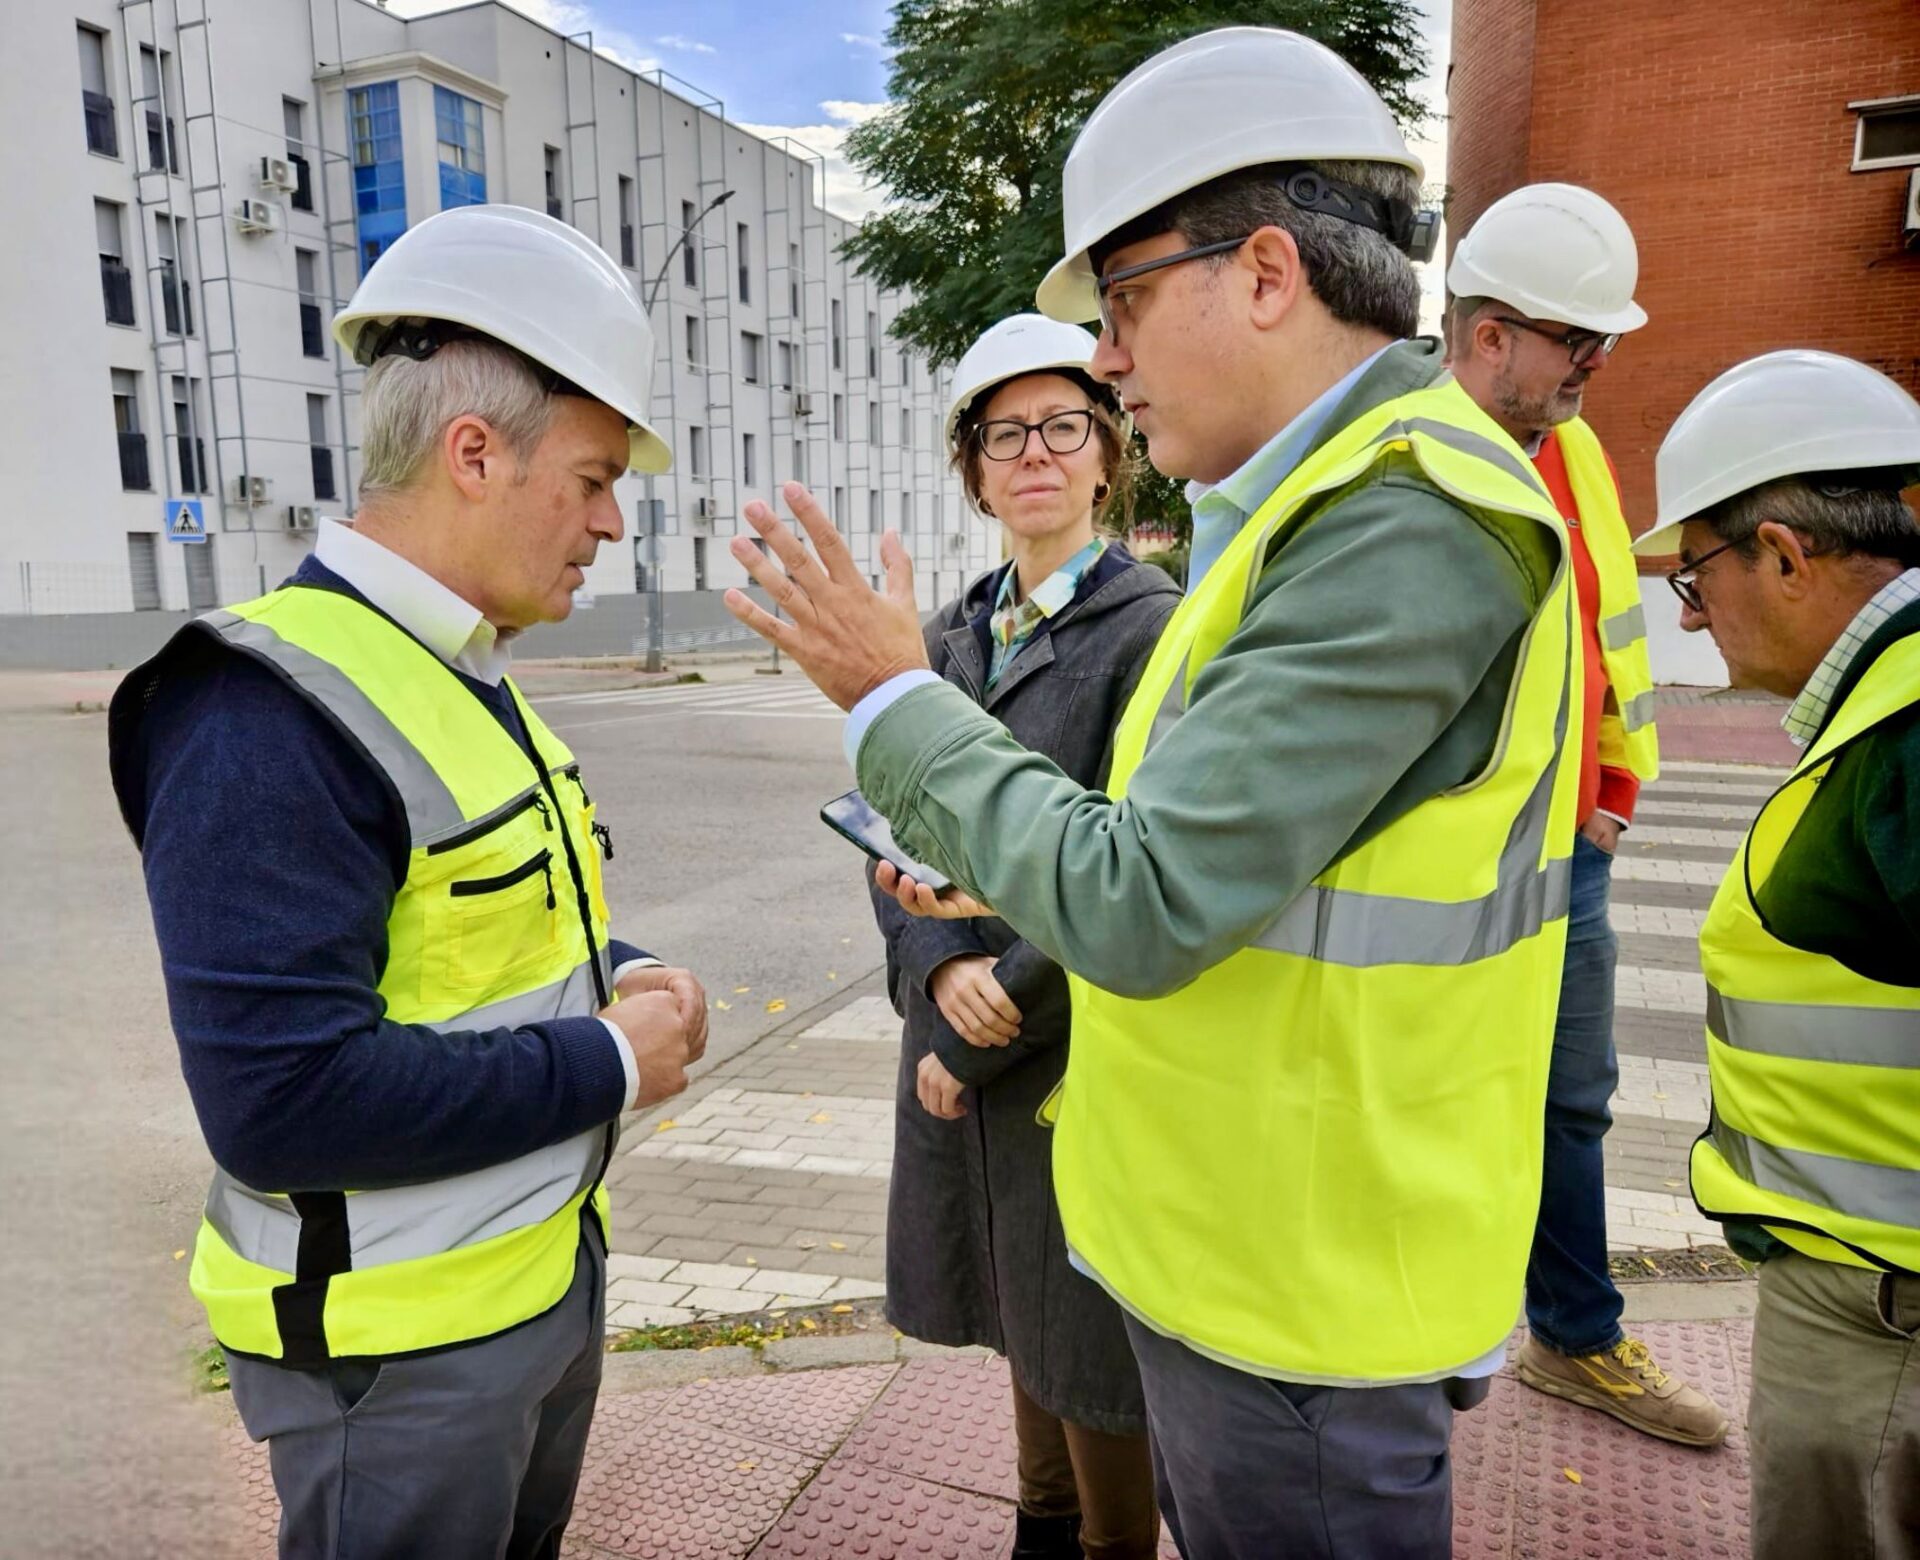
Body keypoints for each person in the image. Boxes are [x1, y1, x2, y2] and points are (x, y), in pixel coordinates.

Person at [720, 27, 1581, 1557]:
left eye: (1119, 307)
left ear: (1266, 274)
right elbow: (1185, 843)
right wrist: (970, 887)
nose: (1106, 365)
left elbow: (1143, 897)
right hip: (1234, 1250)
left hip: (1305, 1295)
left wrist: (891, 697)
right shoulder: (1302, 514)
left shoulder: (1407, 518)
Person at [106, 204, 707, 1560]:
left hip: (530, 1287)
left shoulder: (462, 667)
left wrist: (624, 974)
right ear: (475, 453)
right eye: (594, 479)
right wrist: (615, 1059)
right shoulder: (265, 707)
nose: (611, 522)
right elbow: (280, 1101)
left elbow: (472, 943)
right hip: (394, 1366)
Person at [874, 314, 1178, 1560]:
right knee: (1014, 1309)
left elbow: (1140, 856)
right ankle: (1039, 1526)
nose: (1034, 454)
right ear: (975, 470)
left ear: (1107, 453)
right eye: (1003, 436)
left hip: (1068, 1048)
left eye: (1061, 426)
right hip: (961, 1024)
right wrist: (937, 963)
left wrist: (984, 1023)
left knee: (1089, 1340)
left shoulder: (1152, 630)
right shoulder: (947, 633)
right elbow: (890, 825)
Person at [1445, 183, 1728, 1446]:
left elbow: (1610, 629)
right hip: (1445, 865)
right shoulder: (1409, 454)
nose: (1596, 364)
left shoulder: (1575, 449)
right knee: (1433, 1097)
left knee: (1571, 1101)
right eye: (1577, 340)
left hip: (1571, 855)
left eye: (1603, 341)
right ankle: (1418, 1340)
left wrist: (1612, 792)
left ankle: (1573, 1336)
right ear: (1489, 333)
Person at [1631, 348, 1920, 1560]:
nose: (1692, 616)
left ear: (1786, 557)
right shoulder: (1881, 709)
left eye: (1694, 577)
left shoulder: (1908, 734)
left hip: (1882, 1325)